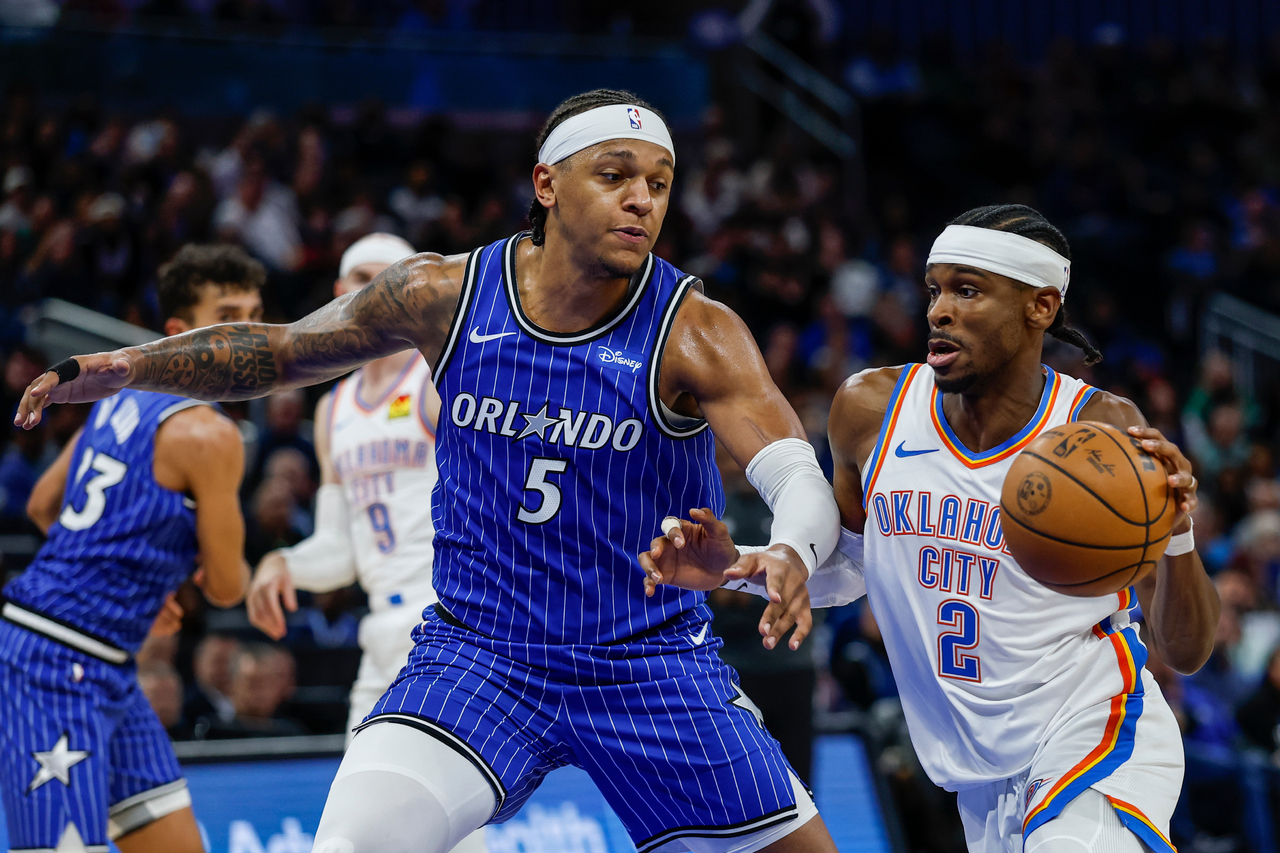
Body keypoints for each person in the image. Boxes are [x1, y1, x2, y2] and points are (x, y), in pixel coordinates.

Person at [16, 89, 844, 853]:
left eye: (659, 184)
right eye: (615, 175)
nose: (642, 200)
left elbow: (795, 475)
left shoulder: (695, 329)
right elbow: (281, 349)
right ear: (547, 184)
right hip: (482, 656)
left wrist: (791, 550)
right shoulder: (444, 295)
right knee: (348, 846)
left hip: (648, 665)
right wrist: (129, 367)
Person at [643, 205, 1221, 853]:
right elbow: (854, 571)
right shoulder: (872, 410)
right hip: (979, 780)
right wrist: (737, 567)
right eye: (934, 289)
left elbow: (1186, 651)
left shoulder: (1100, 431)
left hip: (1094, 736)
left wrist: (1176, 532)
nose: (939, 311)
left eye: (967, 291)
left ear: (1041, 307)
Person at [0, 243, 260, 853]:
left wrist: (136, 574)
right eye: (227, 315)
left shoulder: (117, 396)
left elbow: (43, 505)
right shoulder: (211, 433)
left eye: (255, 315)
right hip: (52, 657)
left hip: (106, 661)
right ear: (179, 332)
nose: (248, 333)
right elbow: (228, 588)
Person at [244, 230, 486, 853]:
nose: (375, 290)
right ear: (339, 293)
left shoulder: (438, 381)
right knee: (387, 834)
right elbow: (340, 551)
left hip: (445, 628)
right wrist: (283, 562)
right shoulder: (334, 409)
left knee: (379, 835)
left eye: (389, 277)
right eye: (361, 279)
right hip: (381, 638)